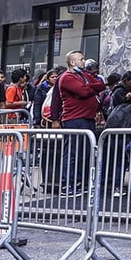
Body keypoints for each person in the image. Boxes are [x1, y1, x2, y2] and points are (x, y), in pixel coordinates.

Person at [53, 51, 105, 196]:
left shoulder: (83, 75)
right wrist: (89, 87)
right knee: (72, 153)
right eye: (81, 59)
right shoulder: (67, 77)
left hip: (88, 118)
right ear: (72, 62)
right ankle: (67, 184)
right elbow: (83, 92)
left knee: (85, 153)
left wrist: (89, 86)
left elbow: (101, 85)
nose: (84, 61)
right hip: (74, 119)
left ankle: (79, 182)